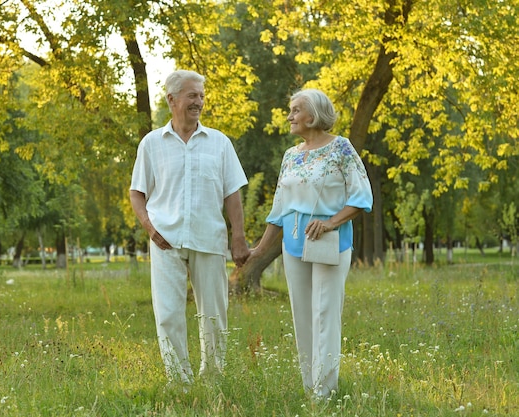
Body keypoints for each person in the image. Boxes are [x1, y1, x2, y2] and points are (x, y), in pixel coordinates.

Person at [129, 69, 251, 386]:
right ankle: (179, 380)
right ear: (172, 99)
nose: (198, 102)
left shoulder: (220, 143)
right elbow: (137, 192)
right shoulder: (151, 144)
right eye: (191, 95)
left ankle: (212, 378)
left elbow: (232, 193)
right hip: (165, 238)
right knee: (169, 313)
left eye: (200, 95)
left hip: (208, 238)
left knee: (213, 314)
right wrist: (149, 226)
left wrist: (238, 236)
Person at [249, 89, 373, 398]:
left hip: (329, 241)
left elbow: (361, 196)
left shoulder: (341, 148)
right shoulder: (290, 155)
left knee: (325, 312)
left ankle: (325, 391)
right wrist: (259, 250)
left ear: (313, 115)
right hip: (293, 243)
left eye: (295, 110)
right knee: (302, 314)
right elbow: (279, 207)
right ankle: (310, 388)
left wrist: (331, 221)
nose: (289, 116)